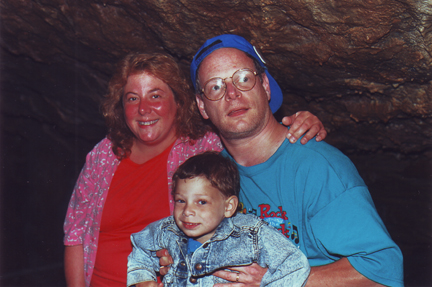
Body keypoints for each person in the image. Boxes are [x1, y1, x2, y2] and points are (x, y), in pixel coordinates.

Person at [63, 51, 326, 286]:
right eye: (132, 98)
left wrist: (300, 125)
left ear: (179, 102)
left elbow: (253, 141)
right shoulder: (104, 154)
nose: (143, 109)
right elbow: (75, 233)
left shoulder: (207, 147)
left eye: (156, 95)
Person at [159, 34, 404, 287]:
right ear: (202, 106)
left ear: (265, 85)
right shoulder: (212, 178)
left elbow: (382, 270)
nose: (232, 93)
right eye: (215, 87)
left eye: (243, 78)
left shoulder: (316, 168)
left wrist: (276, 280)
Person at [127, 151, 310, 287]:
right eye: (181, 200)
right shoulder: (167, 230)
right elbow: (140, 248)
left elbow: (294, 264)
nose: (187, 211)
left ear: (228, 206)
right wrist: (142, 279)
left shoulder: (251, 234)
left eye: (201, 202)